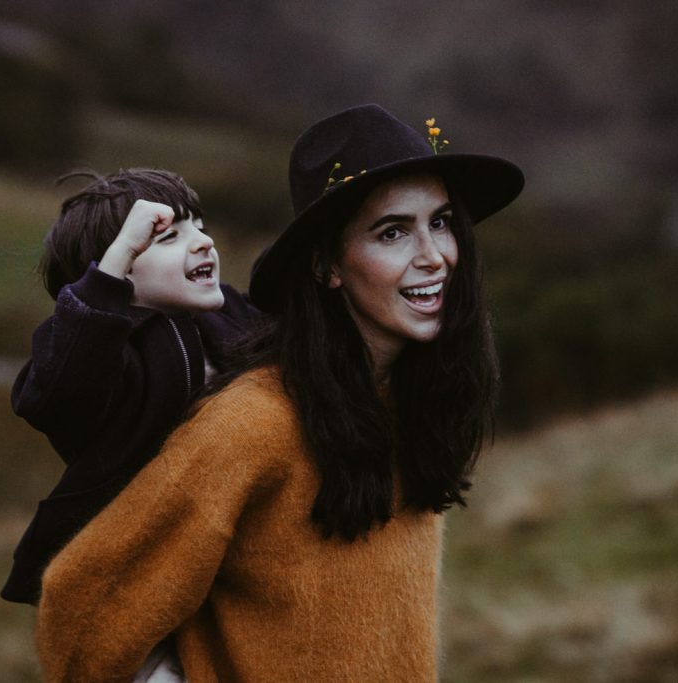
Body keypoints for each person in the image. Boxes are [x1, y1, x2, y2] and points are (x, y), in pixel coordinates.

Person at [35, 104, 524, 681]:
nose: (434, 256)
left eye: (440, 222)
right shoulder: (255, 424)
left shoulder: (408, 406)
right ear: (326, 266)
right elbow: (79, 616)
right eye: (393, 232)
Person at [1, 168, 258, 608]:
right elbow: (57, 400)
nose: (203, 242)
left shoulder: (228, 315)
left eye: (199, 226)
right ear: (114, 277)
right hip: (129, 574)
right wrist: (112, 271)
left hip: (232, 554)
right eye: (167, 237)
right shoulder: (93, 349)